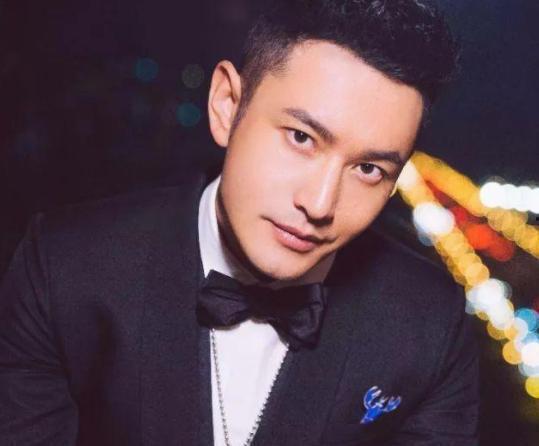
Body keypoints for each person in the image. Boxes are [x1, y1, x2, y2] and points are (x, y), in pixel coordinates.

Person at [0, 1, 479, 445]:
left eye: (368, 169)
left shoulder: (429, 324)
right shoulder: (65, 270)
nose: (319, 204)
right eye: (301, 137)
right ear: (227, 105)